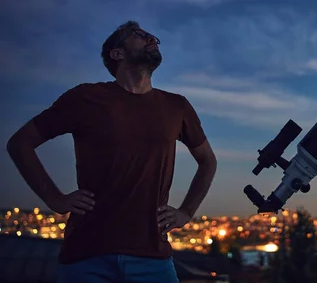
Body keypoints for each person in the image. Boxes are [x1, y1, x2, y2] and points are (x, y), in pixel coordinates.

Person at [6, 21, 218, 282]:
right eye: (138, 35)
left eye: (150, 35)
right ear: (117, 53)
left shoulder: (177, 107)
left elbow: (207, 161)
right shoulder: (86, 98)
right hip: (87, 256)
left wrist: (186, 212)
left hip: (152, 256)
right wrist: (54, 199)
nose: (150, 37)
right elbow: (20, 143)